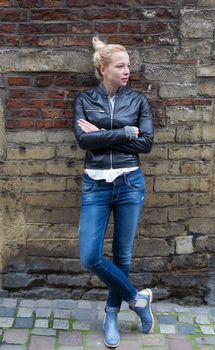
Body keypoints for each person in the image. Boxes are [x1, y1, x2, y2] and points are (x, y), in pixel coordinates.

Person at [73, 36, 154, 348]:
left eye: (128, 66)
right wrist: (123, 132)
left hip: (129, 183)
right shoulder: (84, 101)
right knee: (90, 256)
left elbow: (145, 144)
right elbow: (84, 141)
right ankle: (137, 298)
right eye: (120, 65)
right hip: (95, 185)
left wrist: (104, 135)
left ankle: (111, 316)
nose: (127, 70)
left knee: (122, 255)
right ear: (102, 68)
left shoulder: (137, 101)